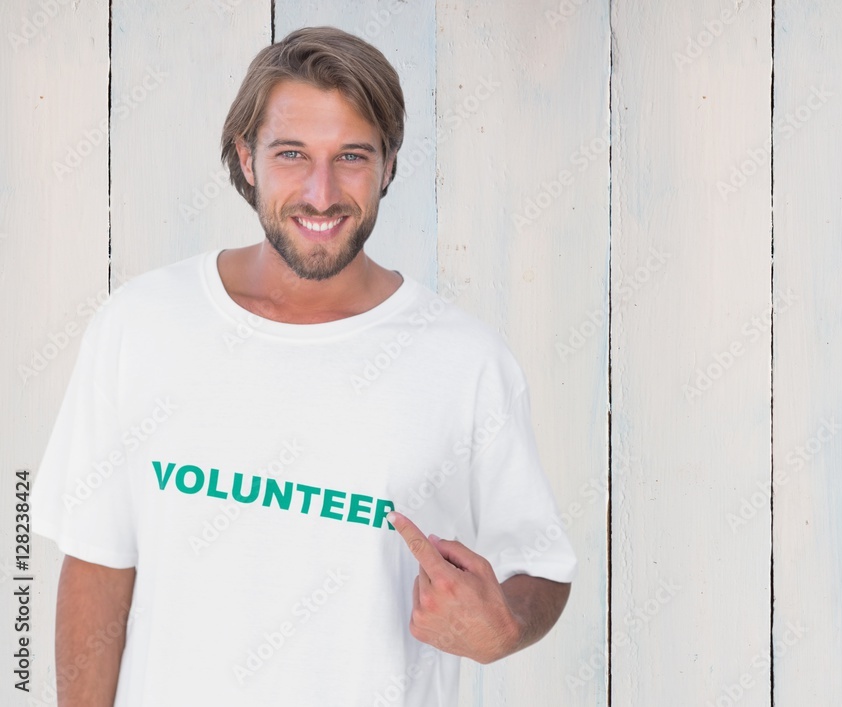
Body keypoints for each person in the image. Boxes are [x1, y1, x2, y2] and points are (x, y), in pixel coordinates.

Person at [31, 26, 576, 707]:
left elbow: (542, 565)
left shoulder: (465, 362)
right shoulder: (139, 325)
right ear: (247, 158)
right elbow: (97, 561)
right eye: (292, 154)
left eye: (351, 155)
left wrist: (504, 628)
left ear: (389, 164)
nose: (321, 194)